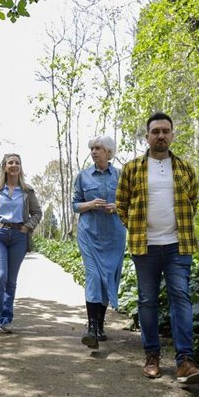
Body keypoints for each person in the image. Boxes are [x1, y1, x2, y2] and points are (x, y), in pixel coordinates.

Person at [116, 112, 199, 384]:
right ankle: (152, 355)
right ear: (147, 136)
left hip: (179, 246)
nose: (161, 136)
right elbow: (121, 204)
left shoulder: (185, 168)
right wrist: (135, 228)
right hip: (145, 248)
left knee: (180, 297)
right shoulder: (132, 168)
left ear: (172, 134)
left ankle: (185, 362)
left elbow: (193, 200)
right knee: (147, 300)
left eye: (165, 131)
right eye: (155, 131)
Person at [0, 153, 42, 336]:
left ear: (20, 167)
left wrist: (27, 227)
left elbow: (37, 213)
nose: (14, 165)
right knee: (0, 276)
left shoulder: (27, 191)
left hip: (18, 237)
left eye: (17, 163)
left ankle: (6, 320)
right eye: (10, 163)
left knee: (11, 281)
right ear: (5, 167)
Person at [72, 136, 126, 349]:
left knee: (107, 278)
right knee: (94, 275)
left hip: (114, 235)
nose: (94, 152)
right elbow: (75, 205)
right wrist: (90, 204)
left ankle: (101, 325)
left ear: (109, 152)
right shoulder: (83, 177)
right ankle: (91, 328)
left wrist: (116, 207)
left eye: (98, 148)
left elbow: (129, 203)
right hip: (89, 234)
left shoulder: (120, 176)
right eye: (92, 148)